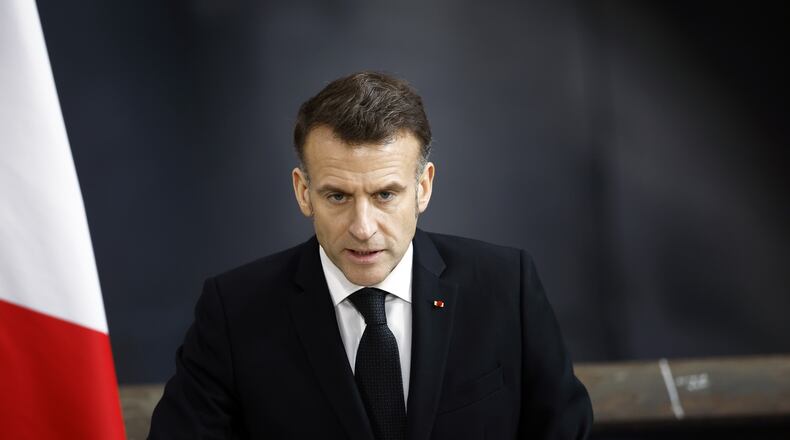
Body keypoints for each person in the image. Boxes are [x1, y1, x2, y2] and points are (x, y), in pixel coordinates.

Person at [148, 71, 592, 439]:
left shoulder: (506, 286)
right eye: (337, 196)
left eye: (385, 195)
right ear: (303, 192)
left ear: (423, 187)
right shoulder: (234, 311)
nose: (363, 227)